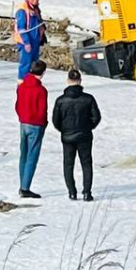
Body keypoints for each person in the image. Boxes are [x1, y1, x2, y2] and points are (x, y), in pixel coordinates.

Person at [52, 69, 101, 201]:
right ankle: (87, 192)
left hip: (67, 136)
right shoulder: (88, 99)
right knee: (86, 164)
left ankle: (72, 192)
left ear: (68, 81)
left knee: (68, 164)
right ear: (80, 81)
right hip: (84, 135)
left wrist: (63, 129)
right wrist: (88, 127)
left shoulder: (61, 100)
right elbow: (96, 117)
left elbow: (55, 120)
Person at [15, 59, 48, 198]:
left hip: (23, 123)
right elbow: (42, 110)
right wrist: (43, 123)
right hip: (36, 124)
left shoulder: (21, 87)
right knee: (32, 156)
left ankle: (22, 183)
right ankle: (25, 187)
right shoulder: (41, 90)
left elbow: (17, 105)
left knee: (24, 154)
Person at [14, 0, 46, 81]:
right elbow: (21, 28)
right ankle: (22, 84)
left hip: (35, 41)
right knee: (26, 64)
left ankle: (33, 84)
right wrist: (27, 42)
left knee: (34, 65)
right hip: (26, 43)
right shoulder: (22, 10)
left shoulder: (35, 9)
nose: (38, 0)